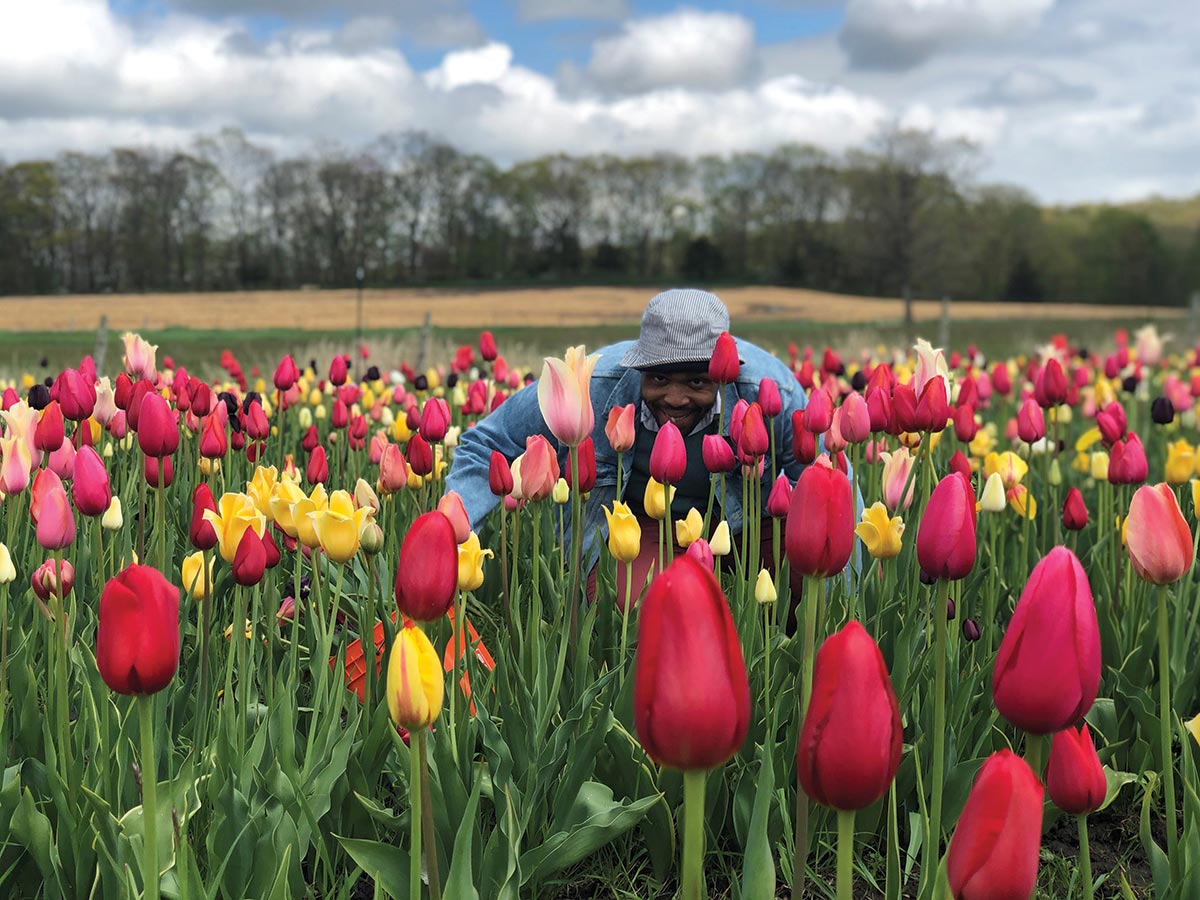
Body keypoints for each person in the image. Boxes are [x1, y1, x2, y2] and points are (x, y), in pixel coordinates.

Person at [444, 287, 816, 607]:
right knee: (628, 607)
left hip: (746, 527)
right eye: (658, 378)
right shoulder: (593, 384)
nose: (676, 398)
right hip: (645, 526)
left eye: (697, 382)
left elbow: (825, 480)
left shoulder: (771, 393)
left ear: (723, 370)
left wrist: (845, 585)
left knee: (804, 580)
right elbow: (487, 441)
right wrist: (446, 540)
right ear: (639, 368)